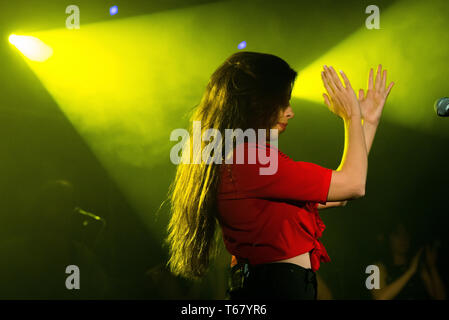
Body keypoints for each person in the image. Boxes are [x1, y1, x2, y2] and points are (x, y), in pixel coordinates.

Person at [165, 51, 393, 299]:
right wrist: (352, 117)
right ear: (256, 103)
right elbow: (354, 185)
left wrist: (367, 122)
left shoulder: (244, 160)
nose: (290, 112)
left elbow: (341, 193)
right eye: (283, 102)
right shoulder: (249, 162)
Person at [371, 222, 446, 300]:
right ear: (388, 238)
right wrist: (410, 271)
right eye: (397, 233)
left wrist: (432, 267)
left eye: (406, 233)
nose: (403, 238)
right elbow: (379, 298)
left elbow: (441, 297)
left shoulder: (419, 267)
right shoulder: (374, 268)